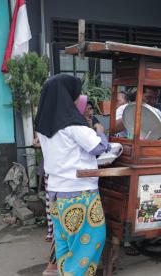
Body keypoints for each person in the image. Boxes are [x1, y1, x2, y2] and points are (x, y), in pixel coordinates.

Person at [36, 74, 110, 275]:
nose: (79, 99)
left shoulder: (43, 126)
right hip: (80, 193)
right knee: (90, 241)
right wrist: (101, 131)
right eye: (76, 94)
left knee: (65, 245)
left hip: (56, 194)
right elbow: (98, 147)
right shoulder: (73, 124)